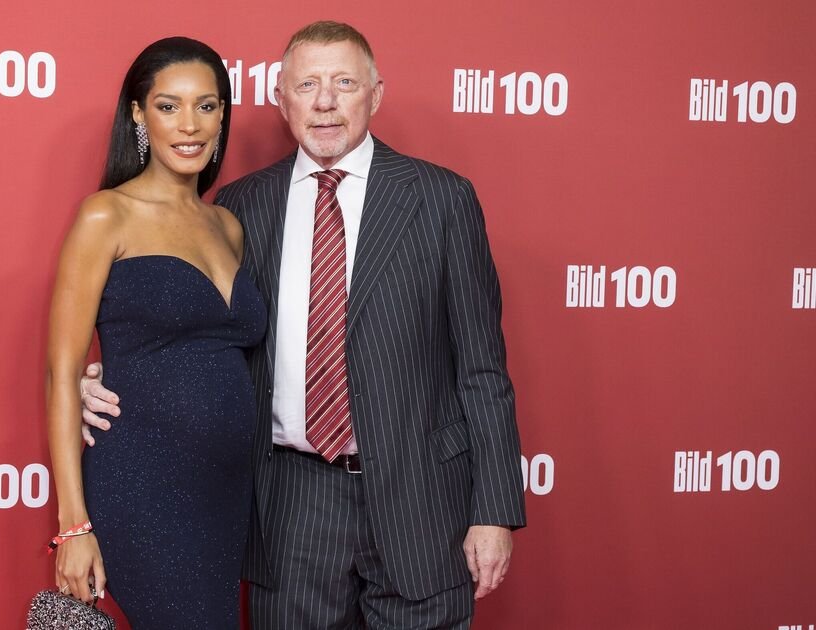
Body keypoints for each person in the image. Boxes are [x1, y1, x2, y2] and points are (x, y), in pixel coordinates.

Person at [82, 21, 526, 629]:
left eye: (344, 83)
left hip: (423, 502)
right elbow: (207, 338)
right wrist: (107, 377)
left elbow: (482, 369)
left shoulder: (441, 199)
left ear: (375, 94)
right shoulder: (239, 208)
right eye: (307, 84)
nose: (324, 102)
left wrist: (494, 510)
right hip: (292, 506)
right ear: (280, 98)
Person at [44, 37, 265, 628]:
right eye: (169, 106)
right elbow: (62, 373)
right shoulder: (105, 216)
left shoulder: (227, 226)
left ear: (222, 115)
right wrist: (73, 526)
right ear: (139, 114)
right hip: (143, 485)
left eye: (206, 106)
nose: (189, 125)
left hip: (225, 492)